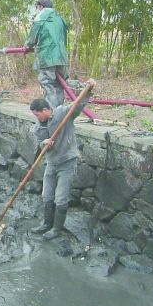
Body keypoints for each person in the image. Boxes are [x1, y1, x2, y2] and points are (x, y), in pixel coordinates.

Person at [29, 78, 96, 240]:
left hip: (67, 162)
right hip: (51, 163)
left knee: (61, 198)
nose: (37, 118)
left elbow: (78, 105)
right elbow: (39, 142)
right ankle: (46, 223)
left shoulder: (61, 113)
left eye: (38, 114)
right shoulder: (39, 125)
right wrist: (44, 142)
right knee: (47, 195)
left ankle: (56, 229)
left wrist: (87, 91)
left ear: (45, 110)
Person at [24, 0, 69, 108]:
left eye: (38, 7)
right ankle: (59, 111)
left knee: (49, 86)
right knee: (60, 86)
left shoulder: (40, 18)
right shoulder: (60, 18)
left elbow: (31, 40)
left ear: (41, 6)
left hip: (47, 58)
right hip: (62, 58)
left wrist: (26, 46)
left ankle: (50, 114)